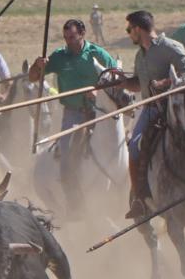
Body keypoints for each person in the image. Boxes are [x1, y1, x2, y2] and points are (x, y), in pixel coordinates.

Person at [113, 10, 185, 220]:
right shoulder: (140, 55)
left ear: (138, 29)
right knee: (135, 148)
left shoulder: (170, 47)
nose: (129, 34)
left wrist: (167, 82)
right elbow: (140, 85)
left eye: (130, 30)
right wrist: (124, 83)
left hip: (179, 106)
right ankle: (139, 198)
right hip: (152, 109)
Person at [29, 19, 118, 203]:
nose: (69, 41)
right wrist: (38, 65)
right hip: (73, 112)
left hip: (100, 111)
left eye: (72, 37)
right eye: (66, 38)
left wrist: (98, 90)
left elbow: (115, 77)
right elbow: (33, 78)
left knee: (121, 142)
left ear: (82, 33)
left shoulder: (97, 54)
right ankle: (72, 196)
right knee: (66, 149)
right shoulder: (59, 56)